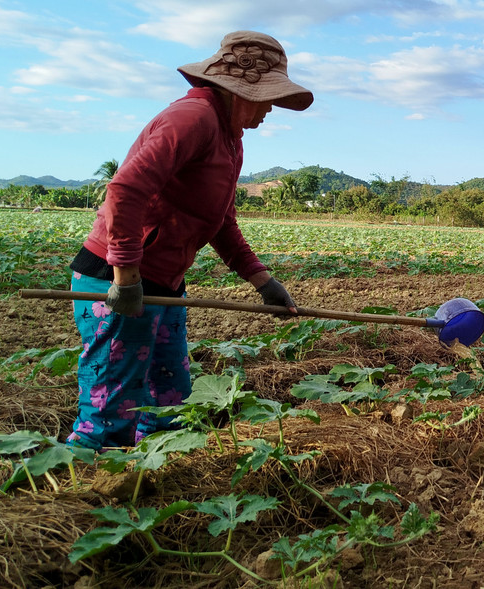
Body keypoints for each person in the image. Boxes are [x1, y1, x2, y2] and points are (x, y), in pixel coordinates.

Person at [65, 31, 312, 450]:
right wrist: (126, 277)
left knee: (169, 403)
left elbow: (220, 222)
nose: (271, 107)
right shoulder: (192, 118)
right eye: (268, 97)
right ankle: (84, 481)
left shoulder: (230, 139)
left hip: (165, 285)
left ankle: (151, 474)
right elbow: (125, 190)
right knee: (110, 413)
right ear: (239, 89)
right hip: (118, 280)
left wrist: (262, 280)